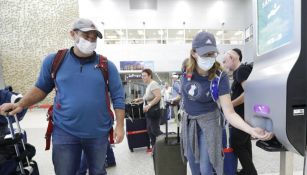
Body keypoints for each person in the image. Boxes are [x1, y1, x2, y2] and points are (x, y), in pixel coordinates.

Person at [0, 18, 125, 175]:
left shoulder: (107, 66)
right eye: (87, 36)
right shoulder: (55, 61)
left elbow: (118, 97)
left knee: (98, 171)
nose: (91, 41)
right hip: (65, 132)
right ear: (73, 34)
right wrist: (21, 104)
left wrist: (120, 126)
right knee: (64, 171)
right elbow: (41, 88)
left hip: (97, 133)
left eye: (94, 38)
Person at [179, 31, 273, 175]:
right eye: (205, 54)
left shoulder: (219, 76)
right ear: (194, 53)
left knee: (206, 167)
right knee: (193, 165)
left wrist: (251, 129)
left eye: (212, 54)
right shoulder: (186, 68)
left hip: (209, 123)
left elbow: (229, 112)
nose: (209, 58)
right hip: (189, 123)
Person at [223, 48, 256, 175]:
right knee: (245, 144)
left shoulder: (241, 70)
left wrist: (229, 105)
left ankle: (250, 171)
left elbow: (249, 93)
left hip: (241, 116)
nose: (225, 64)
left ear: (233, 58)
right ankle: (249, 171)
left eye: (225, 61)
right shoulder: (238, 72)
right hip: (244, 116)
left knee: (237, 144)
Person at [132, 69, 163, 150]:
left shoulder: (153, 84)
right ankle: (154, 149)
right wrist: (140, 99)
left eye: (145, 75)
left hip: (155, 111)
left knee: (155, 130)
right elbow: (148, 97)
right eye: (142, 76)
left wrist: (149, 105)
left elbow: (158, 96)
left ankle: (165, 142)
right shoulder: (148, 85)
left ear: (150, 76)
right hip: (149, 112)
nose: (143, 77)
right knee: (150, 130)